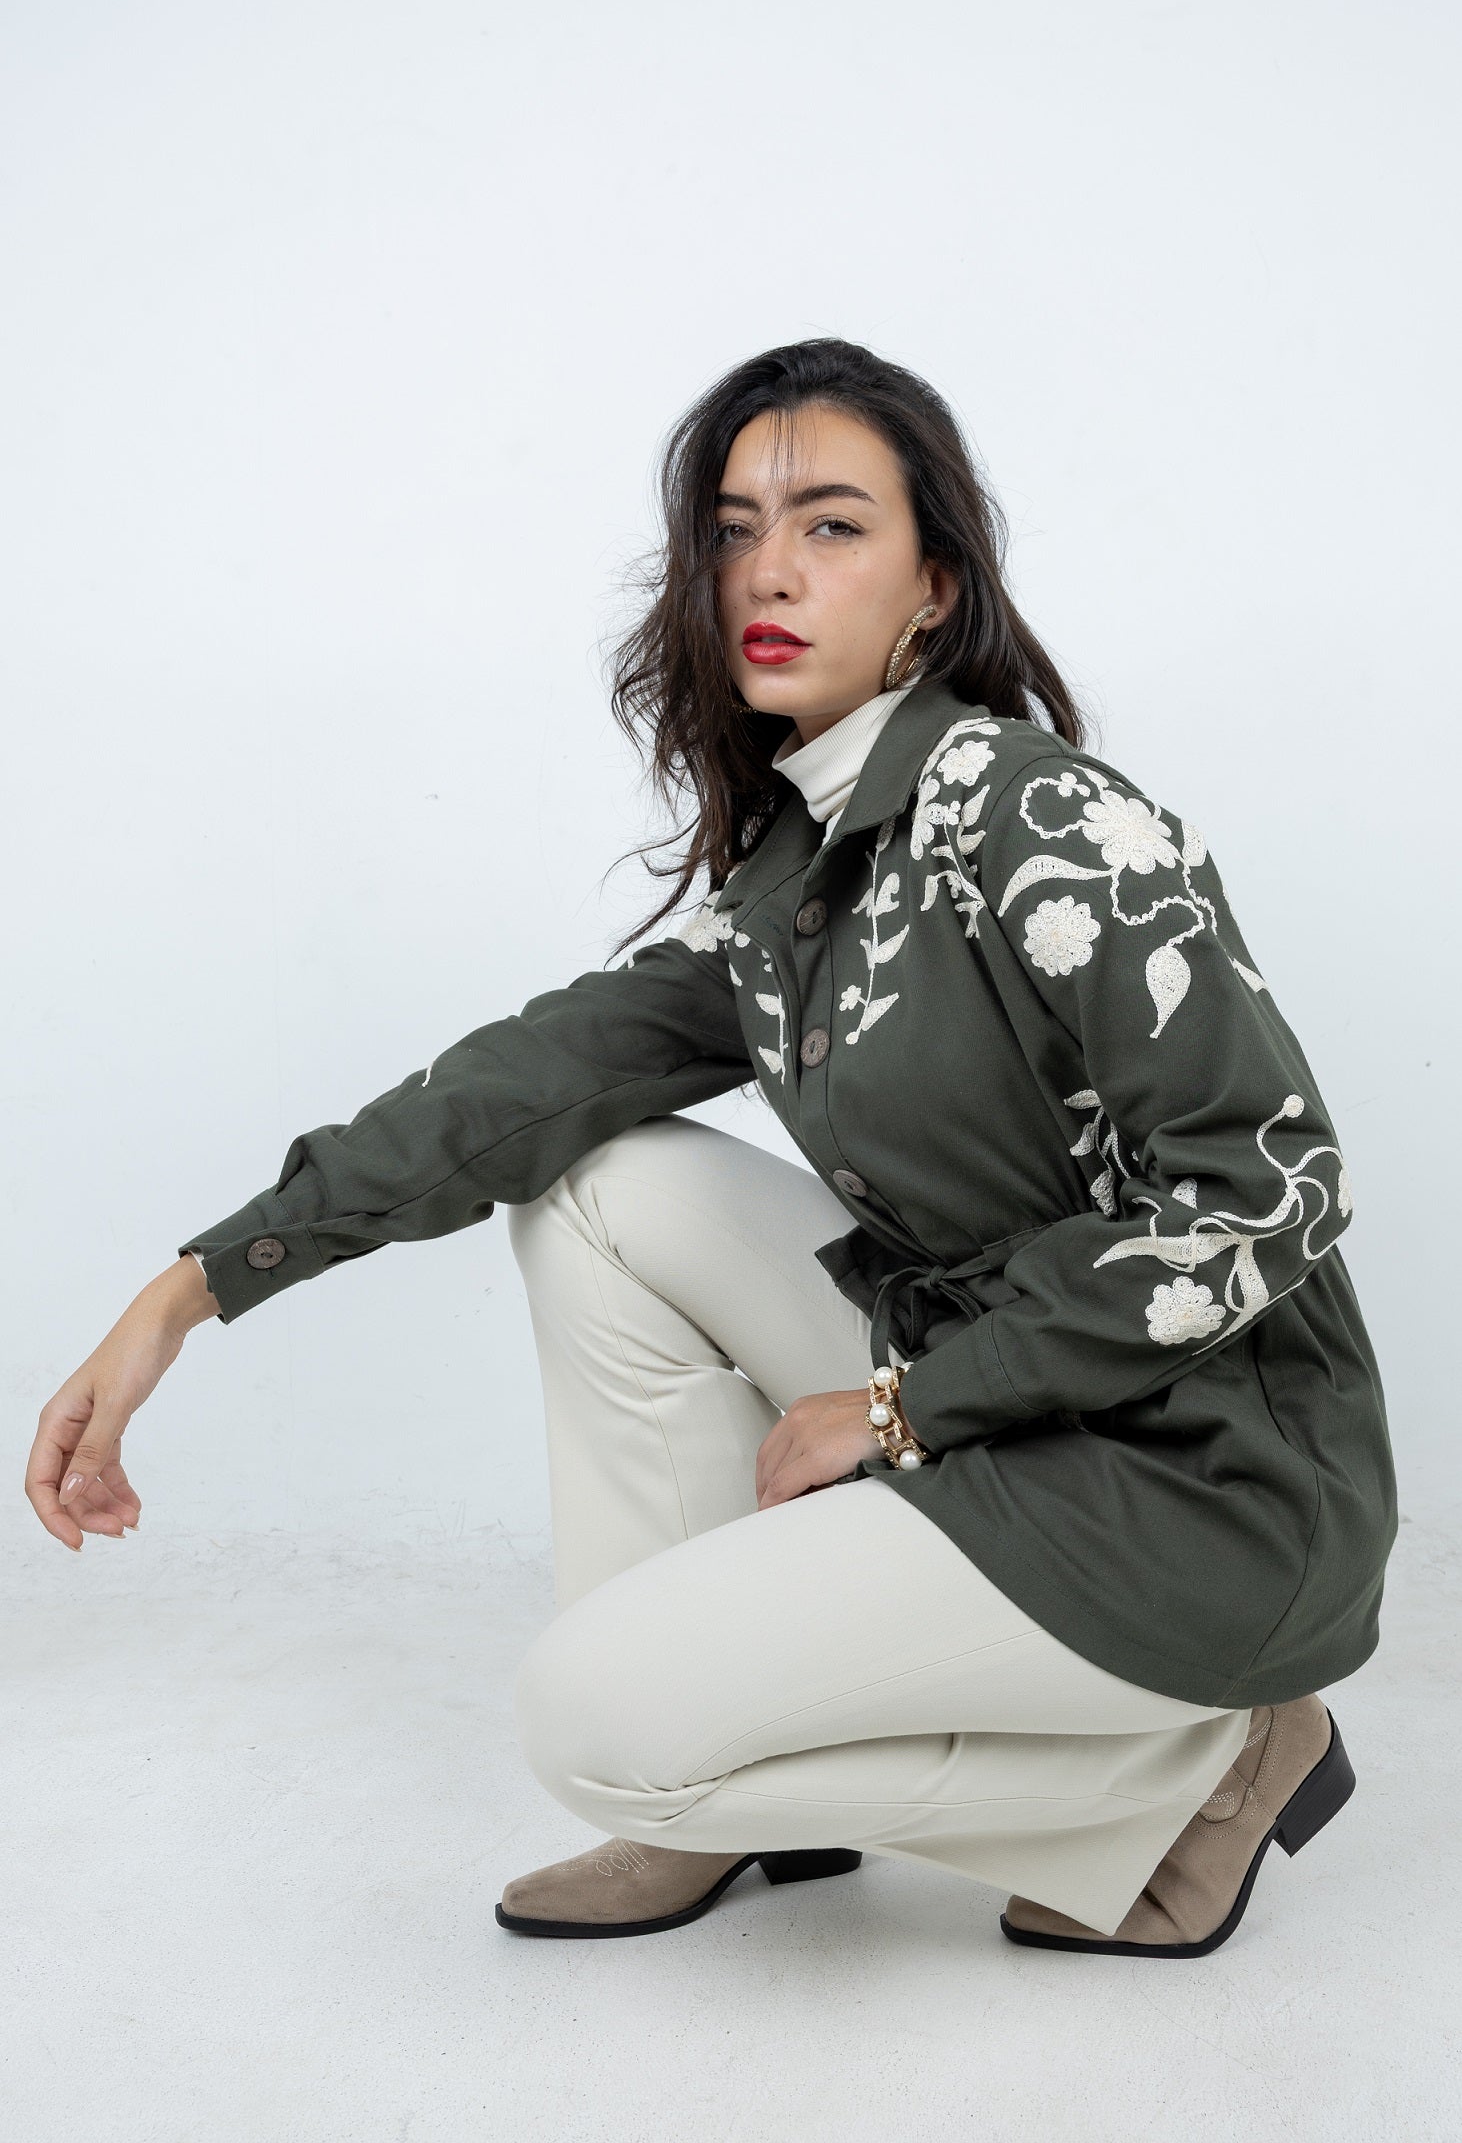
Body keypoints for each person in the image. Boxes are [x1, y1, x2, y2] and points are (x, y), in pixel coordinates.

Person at [26, 338, 1396, 1959]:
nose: (769, 570)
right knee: (597, 1186)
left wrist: (899, 1409)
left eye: (829, 527)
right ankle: (739, 1810)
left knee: (588, 1718)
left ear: (933, 587)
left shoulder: (1038, 816)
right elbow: (525, 1083)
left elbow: (1270, 1191)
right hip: (1023, 1405)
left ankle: (1203, 1761)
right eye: (734, 530)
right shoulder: (796, 876)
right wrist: (188, 1291)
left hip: (1201, 1481)